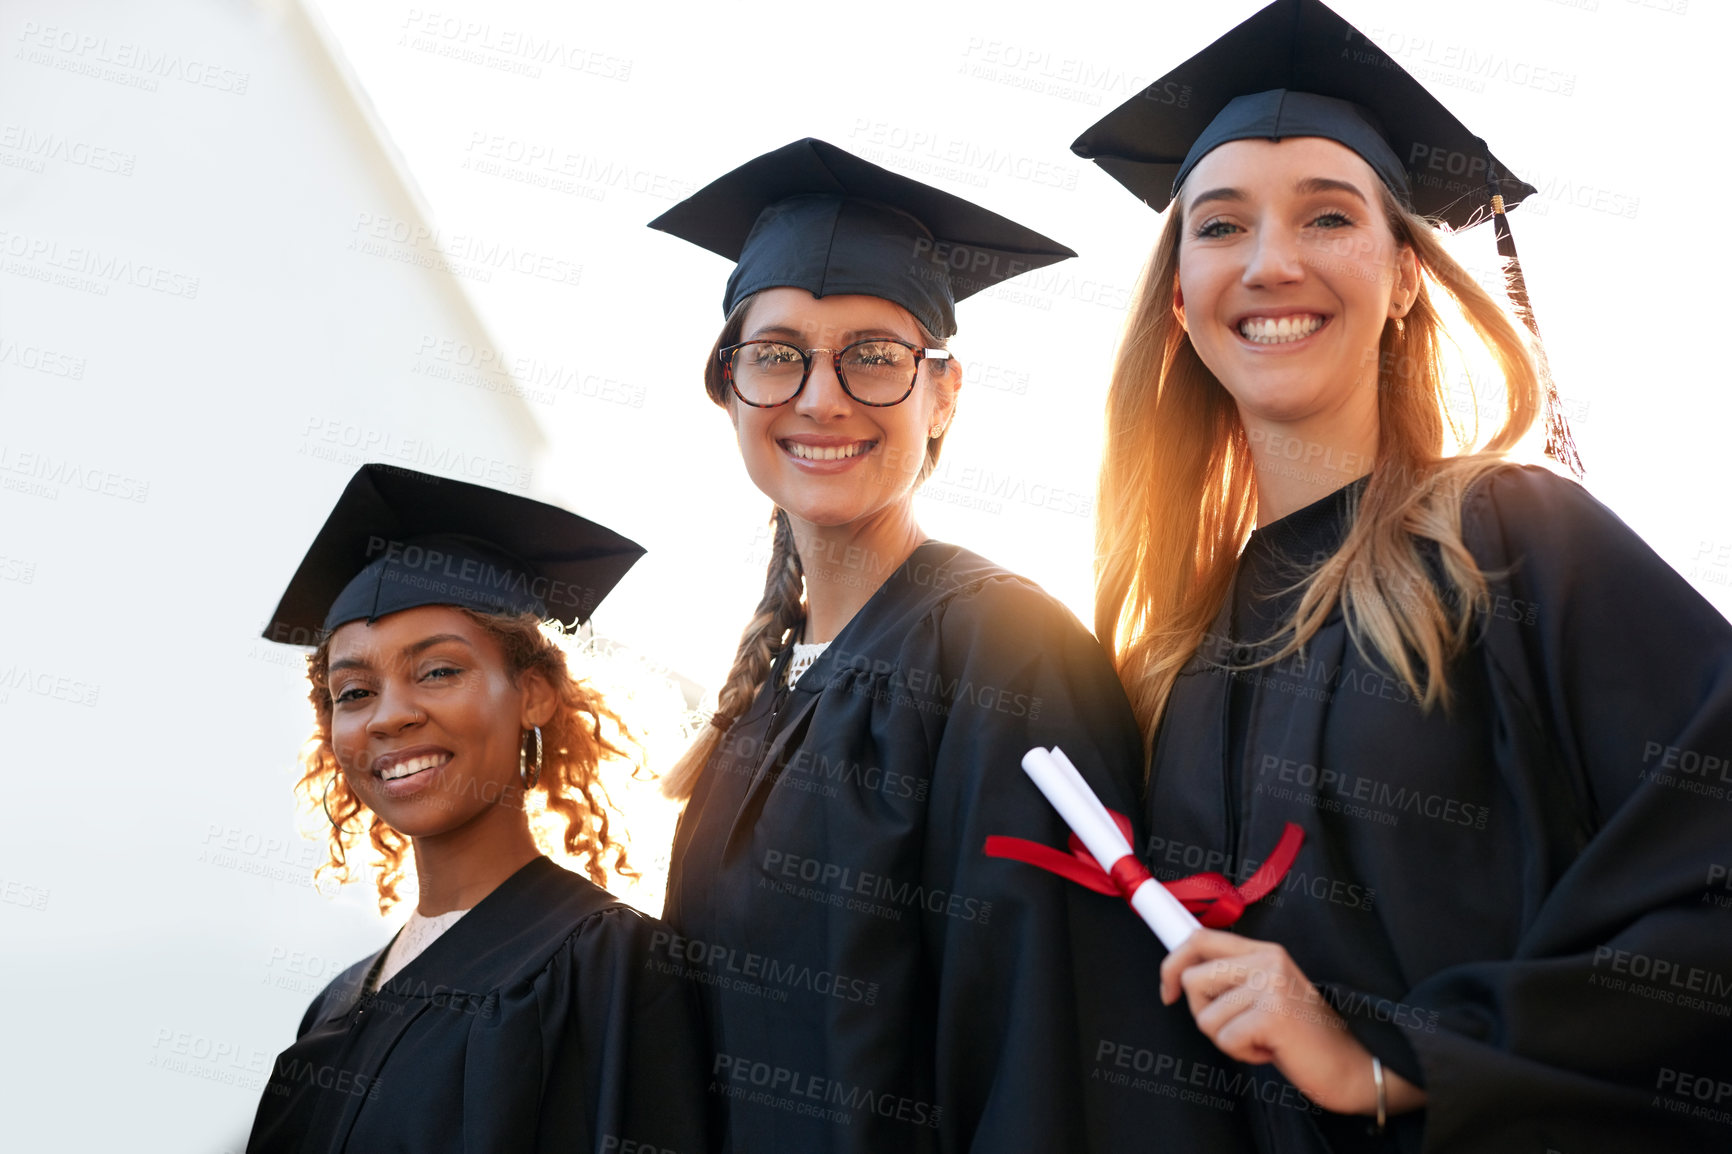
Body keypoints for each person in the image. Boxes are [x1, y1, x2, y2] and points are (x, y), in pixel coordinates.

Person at [1074, 1, 1732, 1151]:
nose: (1271, 261)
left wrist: (1397, 1061)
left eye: (1328, 216)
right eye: (1219, 227)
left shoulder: (1510, 541)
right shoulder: (1169, 657)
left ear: (1406, 277)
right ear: (1178, 298)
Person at [646, 139, 1207, 1152]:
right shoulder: (759, 696)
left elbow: (1051, 1055)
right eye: (778, 354)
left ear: (942, 394)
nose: (822, 396)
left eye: (873, 354)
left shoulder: (1002, 652)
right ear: (729, 388)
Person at [246, 463, 710, 1154]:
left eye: (438, 671)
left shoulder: (608, 961)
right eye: (354, 692)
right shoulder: (340, 998)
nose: (390, 717)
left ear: (535, 693)